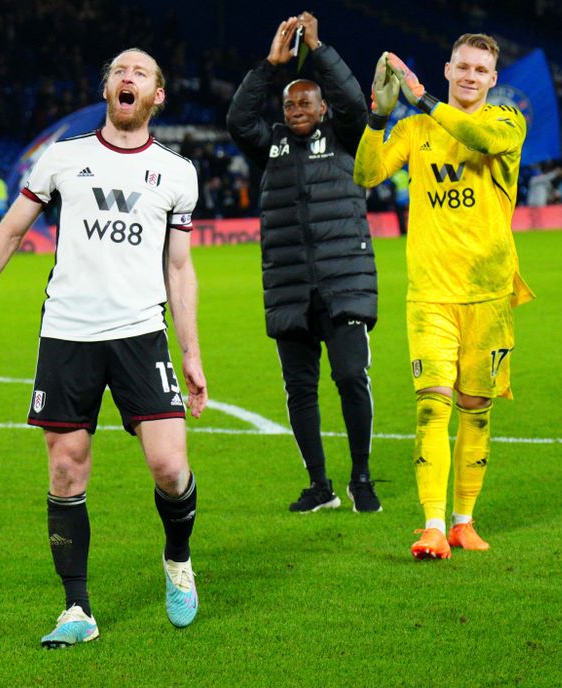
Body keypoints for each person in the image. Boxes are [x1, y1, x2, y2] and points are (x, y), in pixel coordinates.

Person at [0, 48, 206, 648]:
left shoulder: (177, 173)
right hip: (67, 333)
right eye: (118, 71)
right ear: (107, 88)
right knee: (64, 468)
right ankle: (76, 608)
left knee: (168, 466)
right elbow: (9, 232)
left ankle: (178, 559)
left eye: (140, 72)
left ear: (157, 96)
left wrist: (190, 351)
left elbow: (179, 267)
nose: (127, 77)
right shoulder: (63, 159)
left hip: (140, 331)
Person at [354, 35, 535, 560]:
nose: (472, 76)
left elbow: (475, 135)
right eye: (464, 67)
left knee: (476, 409)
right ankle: (432, 525)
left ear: (492, 79)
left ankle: (463, 521)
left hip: (489, 293)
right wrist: (377, 118)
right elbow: (366, 174)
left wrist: (426, 99)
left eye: (482, 69)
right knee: (432, 408)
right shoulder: (414, 129)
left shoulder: (506, 123)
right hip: (431, 293)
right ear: (449, 69)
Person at [227, 13, 381, 514]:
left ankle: (361, 477)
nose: (295, 109)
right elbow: (237, 120)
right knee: (300, 392)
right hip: (291, 289)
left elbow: (356, 102)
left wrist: (317, 49)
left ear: (322, 107)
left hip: (344, 283)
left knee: (352, 378)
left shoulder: (345, 136)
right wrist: (271, 68)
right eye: (289, 102)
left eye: (305, 102)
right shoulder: (269, 145)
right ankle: (320, 485)